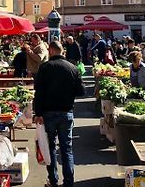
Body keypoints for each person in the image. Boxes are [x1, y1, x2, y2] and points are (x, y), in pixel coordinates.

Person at [34, 41, 85, 187]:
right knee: (66, 149)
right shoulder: (73, 68)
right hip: (66, 112)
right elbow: (81, 91)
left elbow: (39, 93)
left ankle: (53, 180)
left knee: (50, 147)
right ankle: (69, 182)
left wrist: (38, 113)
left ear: (50, 51)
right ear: (62, 51)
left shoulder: (44, 67)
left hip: (48, 113)